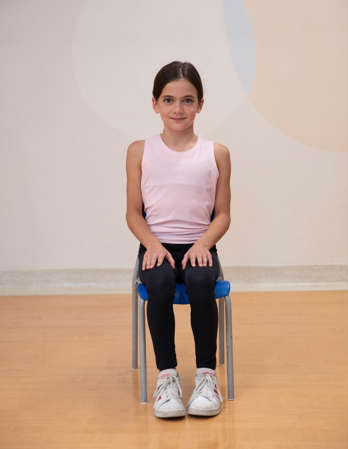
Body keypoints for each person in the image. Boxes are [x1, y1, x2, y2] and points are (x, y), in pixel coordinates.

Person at [125, 60, 231, 418]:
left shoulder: (216, 153)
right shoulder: (140, 151)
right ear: (155, 103)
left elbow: (223, 215)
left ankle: (206, 377)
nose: (178, 109)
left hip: (199, 244)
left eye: (187, 100)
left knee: (202, 283)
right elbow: (133, 214)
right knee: (160, 284)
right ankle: (167, 377)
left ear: (200, 104)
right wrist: (152, 245)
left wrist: (203, 243)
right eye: (169, 100)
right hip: (157, 245)